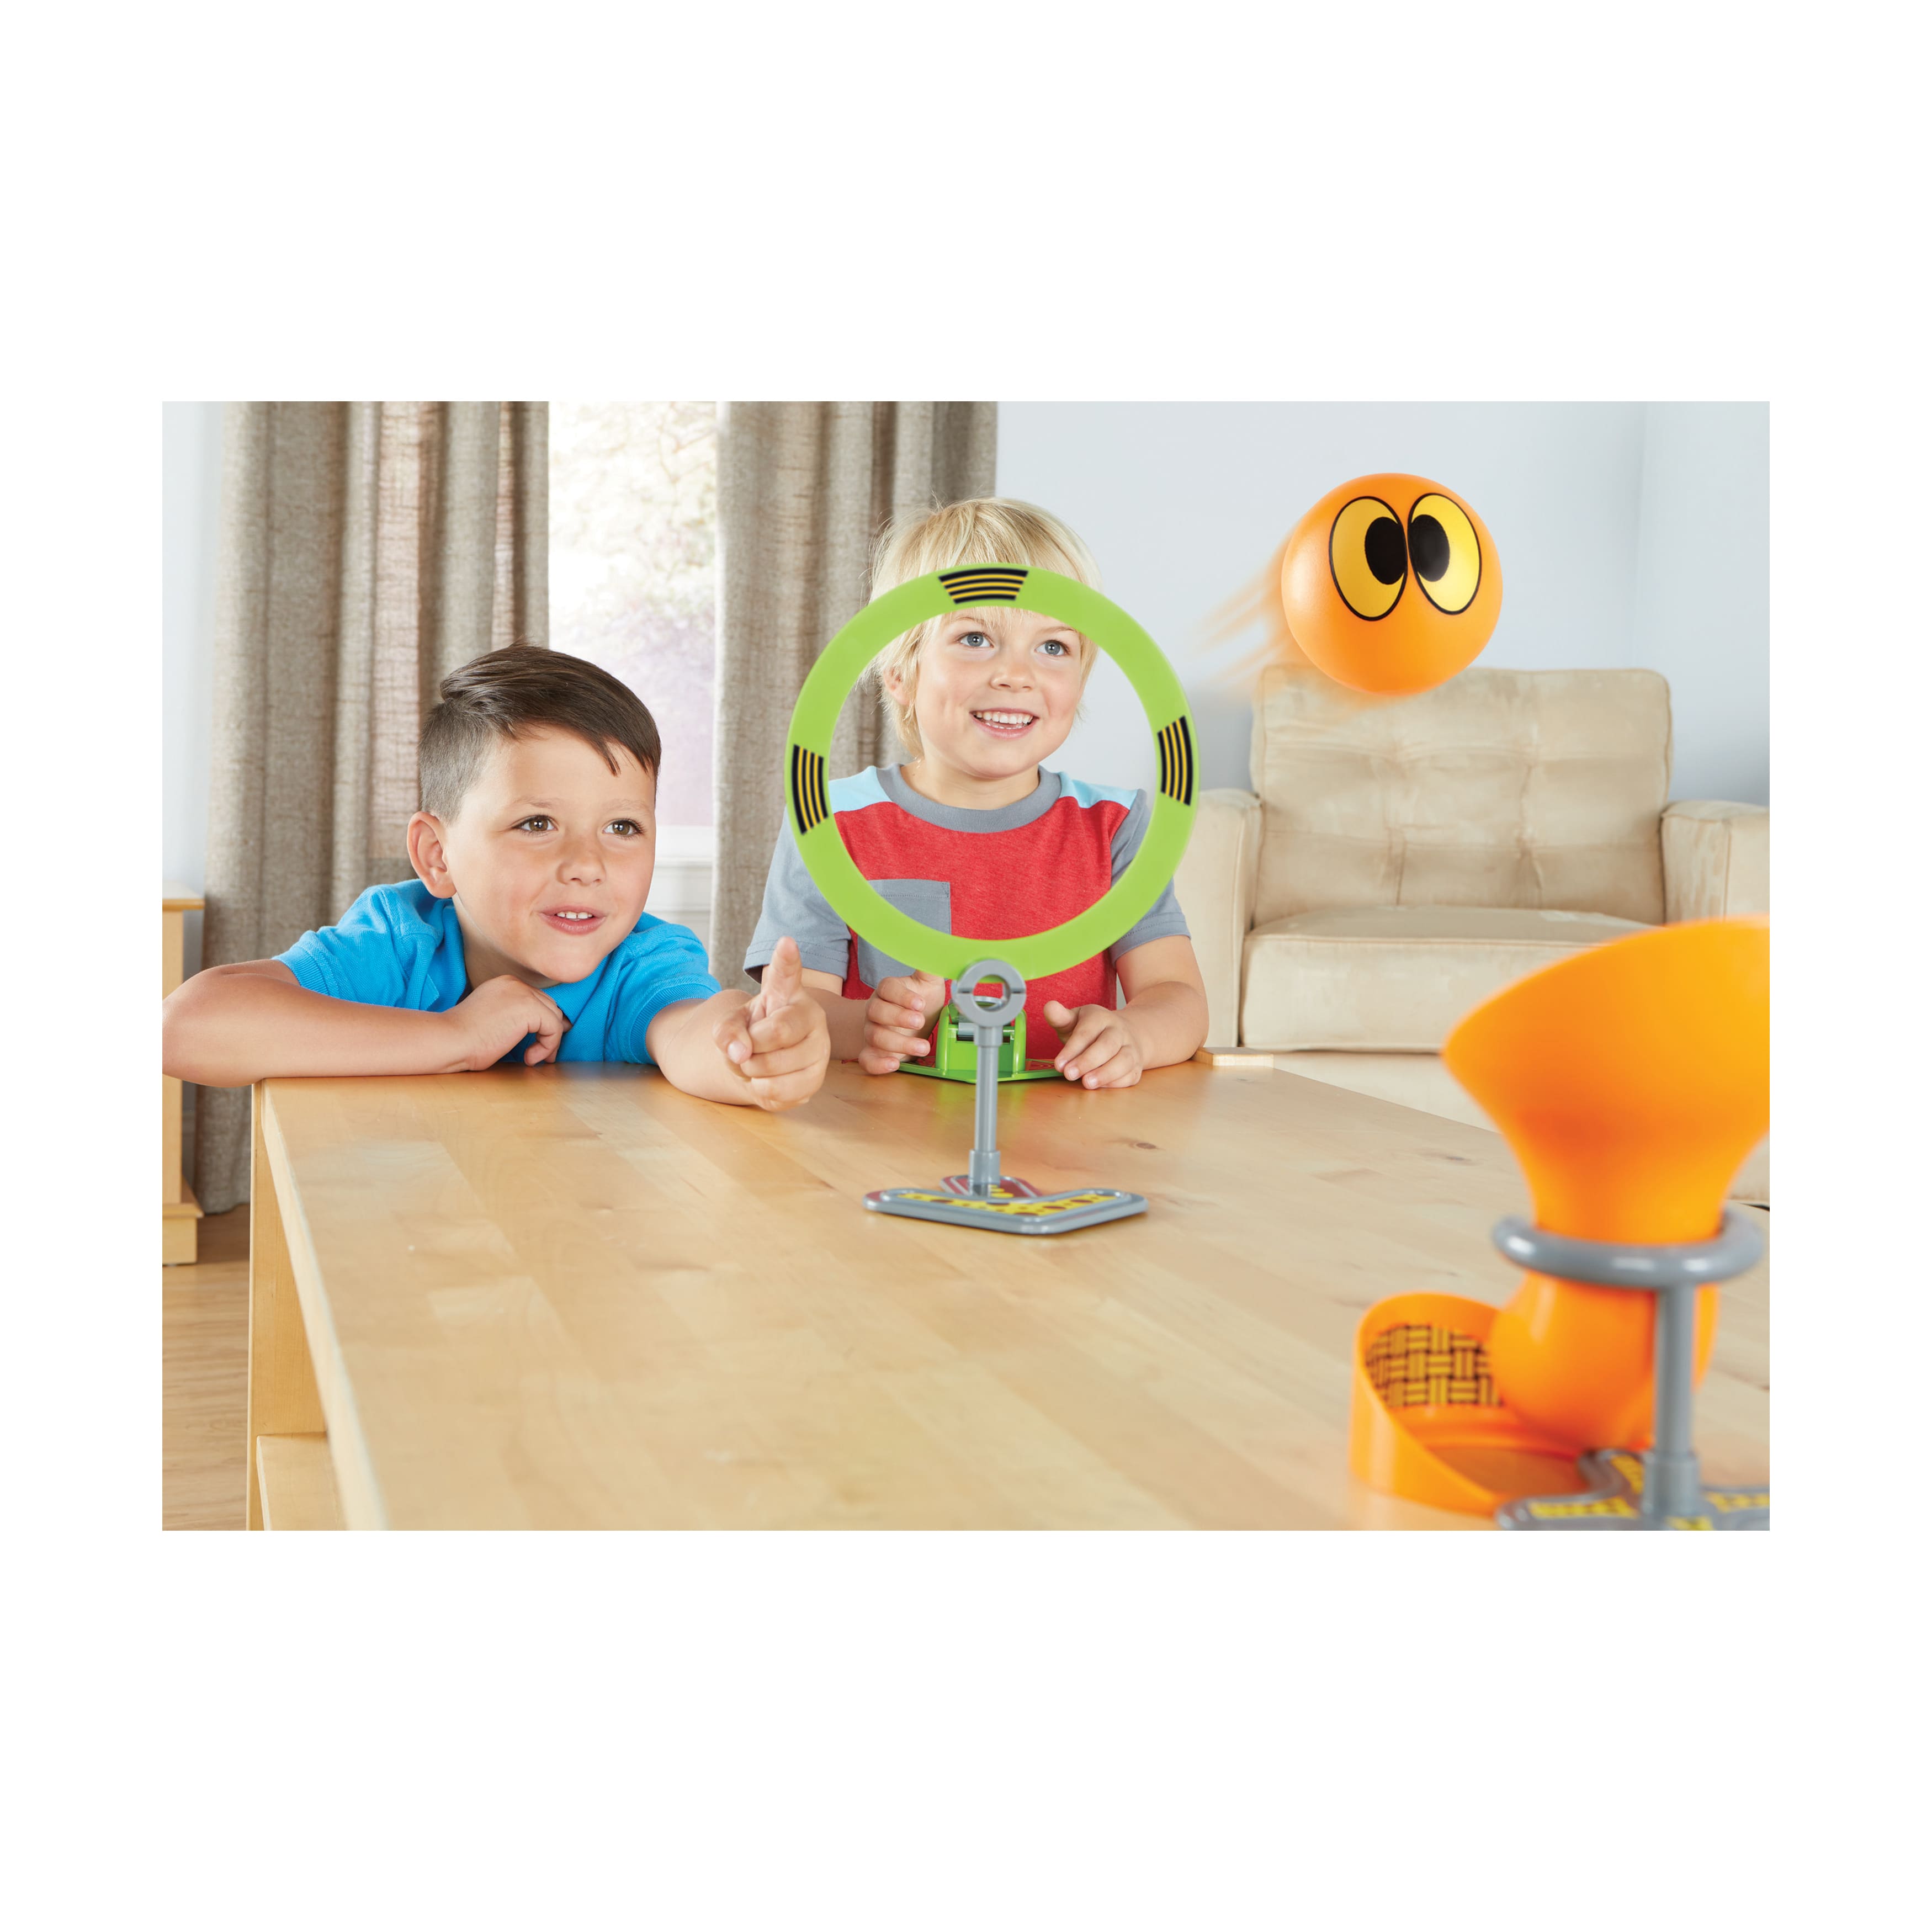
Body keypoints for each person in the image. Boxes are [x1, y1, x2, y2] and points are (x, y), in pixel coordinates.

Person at [164, 647, 830, 1111]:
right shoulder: (400, 942)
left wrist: (751, 1049)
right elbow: (186, 1027)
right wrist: (457, 1037)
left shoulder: (642, 962)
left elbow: (690, 1030)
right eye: (537, 823)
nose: (587, 863)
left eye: (622, 826)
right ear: (437, 856)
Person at [744, 498, 1208, 1090]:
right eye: (974, 637)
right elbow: (798, 1009)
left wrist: (1135, 1036)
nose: (1016, 675)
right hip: (882, 1126)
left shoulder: (1115, 825)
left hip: (1069, 1127)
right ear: (900, 672)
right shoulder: (830, 821)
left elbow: (1178, 997)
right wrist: (866, 1026)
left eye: (1053, 647)